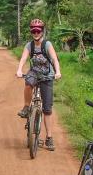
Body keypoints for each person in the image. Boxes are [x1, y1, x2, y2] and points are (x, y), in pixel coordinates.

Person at [15, 18, 62, 150]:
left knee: (47, 109)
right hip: (34, 72)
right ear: (31, 31)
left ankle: (49, 137)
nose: (36, 33)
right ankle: (26, 107)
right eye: (33, 31)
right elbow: (24, 58)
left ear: (42, 31)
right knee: (28, 82)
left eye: (38, 30)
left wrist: (57, 72)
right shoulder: (29, 45)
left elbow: (54, 59)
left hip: (47, 75)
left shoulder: (47, 44)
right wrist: (19, 69)